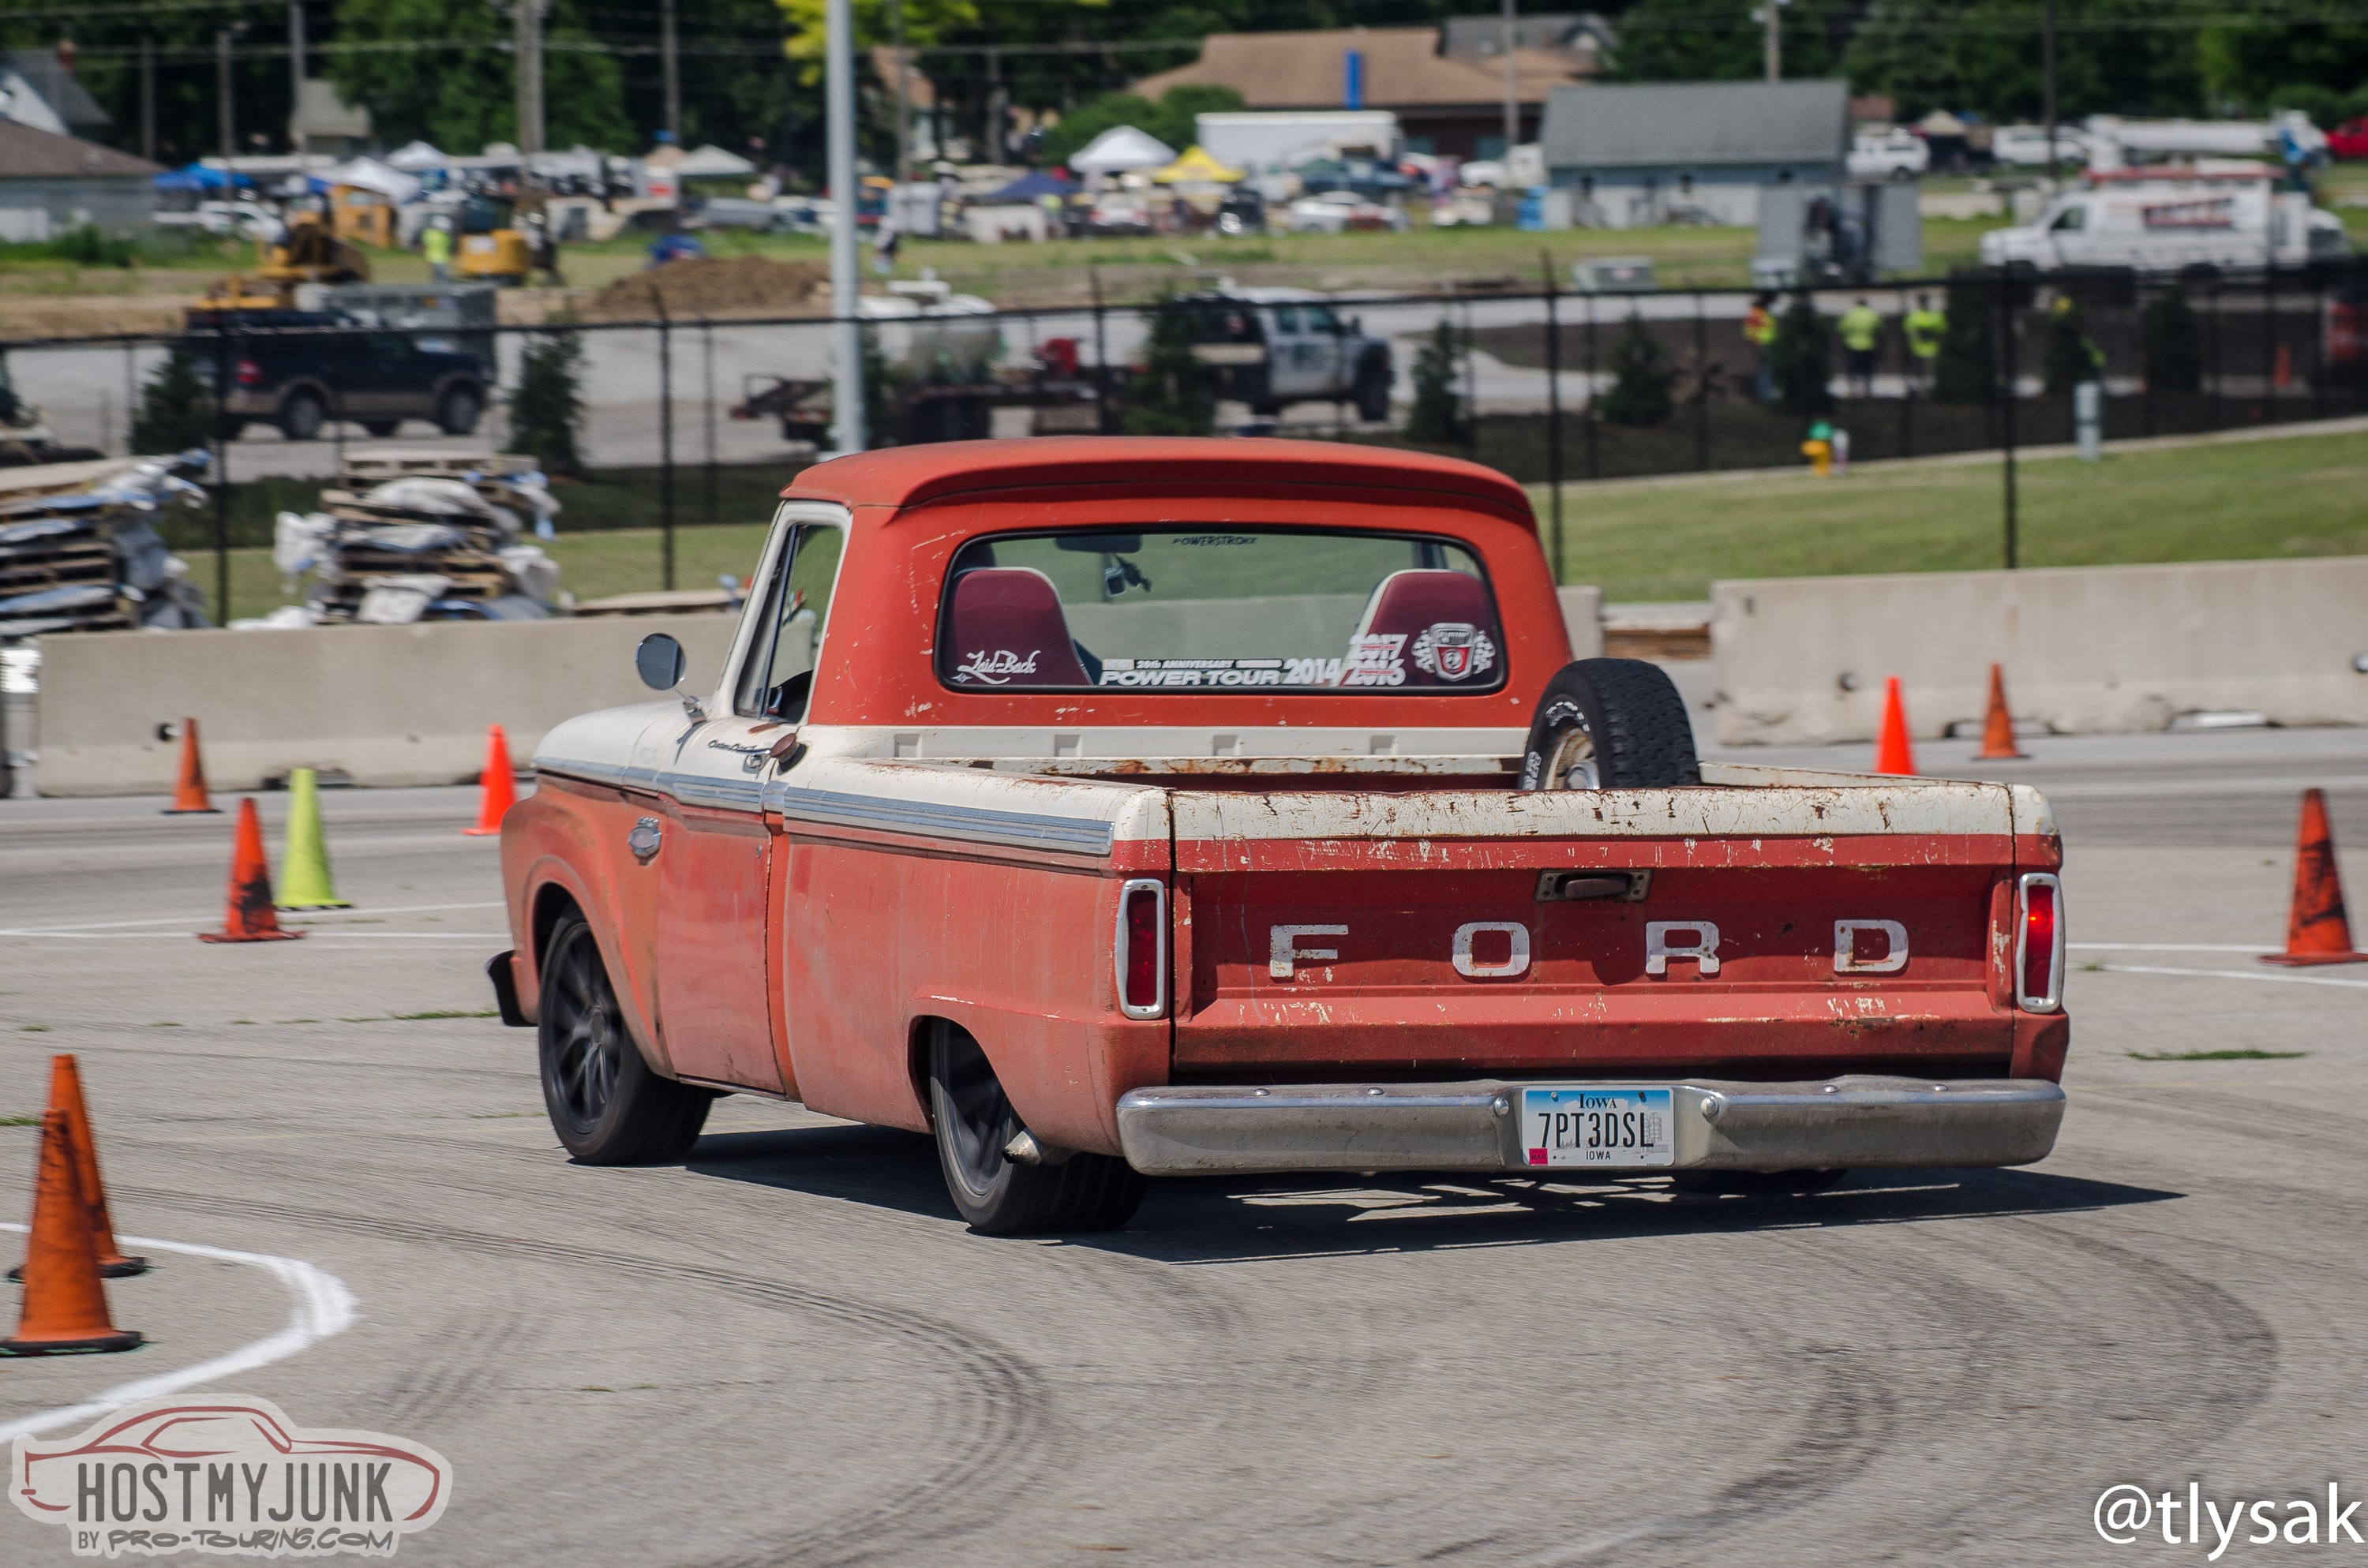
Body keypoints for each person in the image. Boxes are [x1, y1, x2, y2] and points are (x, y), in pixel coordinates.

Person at [1838, 296, 1883, 399]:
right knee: (1868, 369)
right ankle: (1867, 390)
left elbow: (1842, 330)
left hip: (1852, 345)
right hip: (1869, 345)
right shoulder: (1872, 315)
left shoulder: (1849, 315)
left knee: (1852, 369)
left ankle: (1852, 389)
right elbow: (1880, 331)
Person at [1903, 293, 1946, 392]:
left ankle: (1928, 393)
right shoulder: (1915, 316)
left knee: (1929, 375)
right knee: (1921, 376)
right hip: (1919, 351)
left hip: (1930, 350)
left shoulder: (1931, 316)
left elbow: (1942, 334)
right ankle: (1923, 392)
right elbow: (1908, 334)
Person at [1743, 292, 1778, 403]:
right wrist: (1756, 343)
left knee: (1766, 370)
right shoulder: (1757, 313)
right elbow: (1751, 331)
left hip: (1768, 345)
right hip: (1762, 345)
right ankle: (1764, 397)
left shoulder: (1762, 312)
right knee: (1765, 370)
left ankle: (1765, 395)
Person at [422, 215, 454, 283]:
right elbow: (449, 246)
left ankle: (436, 286)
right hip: (441, 259)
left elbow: (425, 246)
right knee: (443, 278)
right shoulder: (444, 236)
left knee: (436, 277)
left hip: (431, 257)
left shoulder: (428, 233)